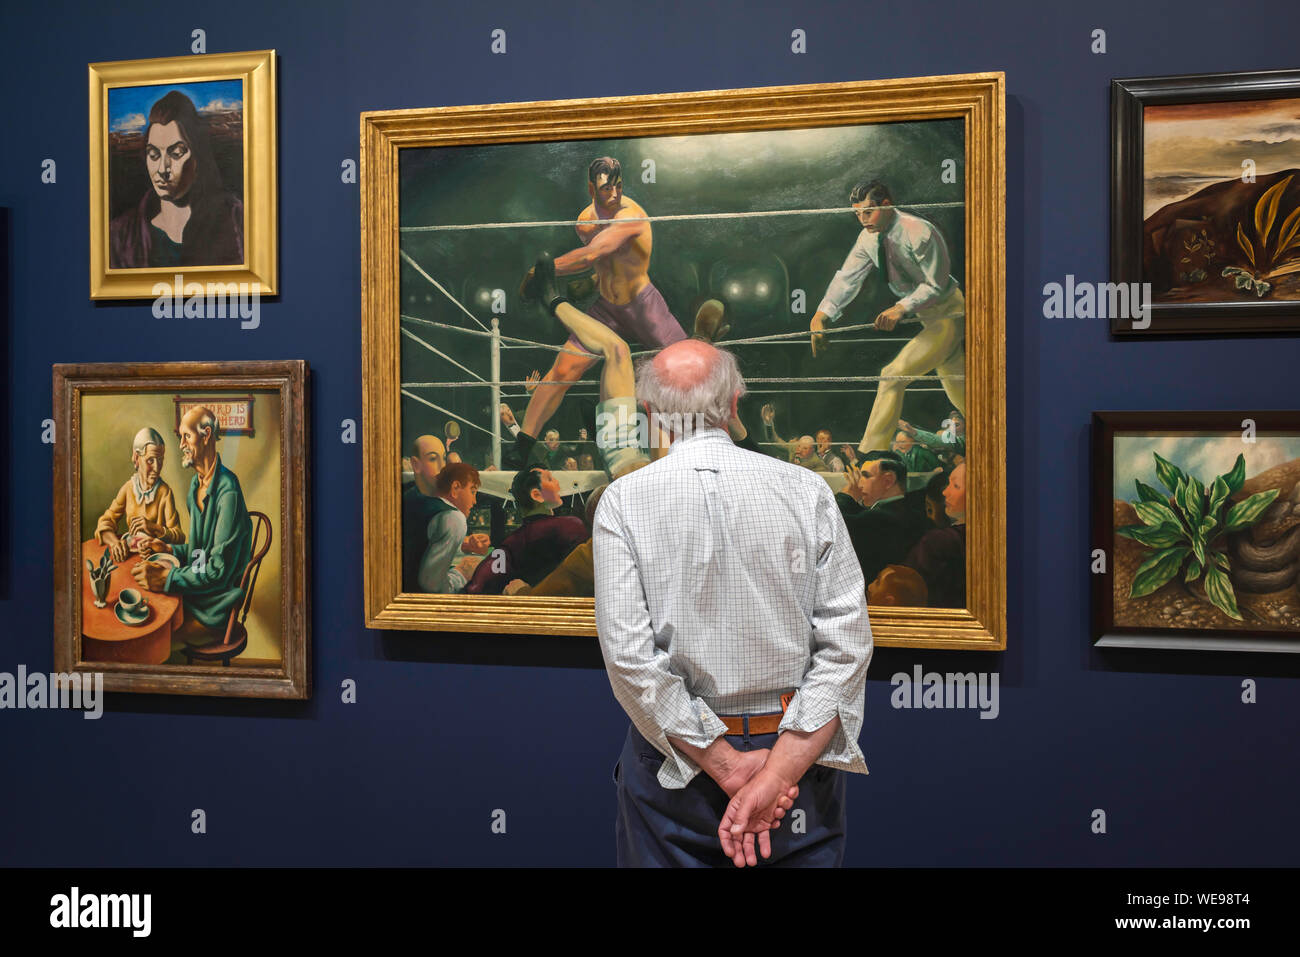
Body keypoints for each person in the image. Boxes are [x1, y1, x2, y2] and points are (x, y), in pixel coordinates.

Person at [593, 338, 872, 868]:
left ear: (651, 413)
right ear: (735, 405)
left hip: (676, 774)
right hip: (797, 775)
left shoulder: (623, 501)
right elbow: (846, 648)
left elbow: (630, 659)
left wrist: (728, 767)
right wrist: (777, 774)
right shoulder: (808, 490)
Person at [510, 157, 726, 466]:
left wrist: (540, 273)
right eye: (605, 188)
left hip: (643, 307)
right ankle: (524, 443)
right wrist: (593, 281)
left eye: (617, 186)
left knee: (686, 374)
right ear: (591, 189)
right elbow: (603, 262)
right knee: (563, 369)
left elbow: (593, 254)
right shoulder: (586, 221)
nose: (613, 194)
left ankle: (718, 447)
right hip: (607, 308)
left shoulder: (631, 217)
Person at [808, 180, 965, 455]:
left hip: (949, 313)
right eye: (857, 214)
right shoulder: (868, 238)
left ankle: (871, 455)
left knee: (892, 376)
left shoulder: (919, 232)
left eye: (868, 212)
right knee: (962, 391)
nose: (862, 220)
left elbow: (935, 284)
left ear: (886, 204)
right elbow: (848, 278)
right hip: (928, 317)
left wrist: (900, 308)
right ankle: (999, 432)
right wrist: (821, 315)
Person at [133, 407, 252, 657]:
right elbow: (201, 556)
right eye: (180, 438)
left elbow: (217, 572)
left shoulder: (228, 492)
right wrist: (168, 549)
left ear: (206, 434)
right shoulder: (195, 486)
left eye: (186, 436)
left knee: (151, 641)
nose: (181, 446)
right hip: (194, 596)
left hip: (215, 610)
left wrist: (167, 579)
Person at [109, 90, 243, 269]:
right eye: (154, 154)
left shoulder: (234, 220)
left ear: (198, 156)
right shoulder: (121, 234)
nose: (162, 169)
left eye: (176, 153)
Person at [464, 467, 587, 595]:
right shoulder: (571, 526)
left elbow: (478, 585)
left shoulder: (511, 543)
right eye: (550, 479)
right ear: (536, 495)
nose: (557, 482)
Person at [95, 427, 185, 562]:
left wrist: (154, 528)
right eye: (150, 460)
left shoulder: (165, 492)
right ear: (137, 458)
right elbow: (105, 522)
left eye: (160, 460)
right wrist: (114, 543)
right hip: (130, 558)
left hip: (155, 560)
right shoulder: (128, 488)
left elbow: (179, 536)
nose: (157, 467)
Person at [408, 462, 490, 593]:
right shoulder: (453, 518)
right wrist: (461, 573)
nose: (474, 501)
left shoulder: (414, 497)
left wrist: (465, 544)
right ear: (455, 488)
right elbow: (433, 587)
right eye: (472, 491)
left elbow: (420, 541)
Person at [904, 462, 967, 608]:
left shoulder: (937, 542)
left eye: (956, 486)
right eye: (948, 484)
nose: (945, 492)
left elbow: (906, 587)